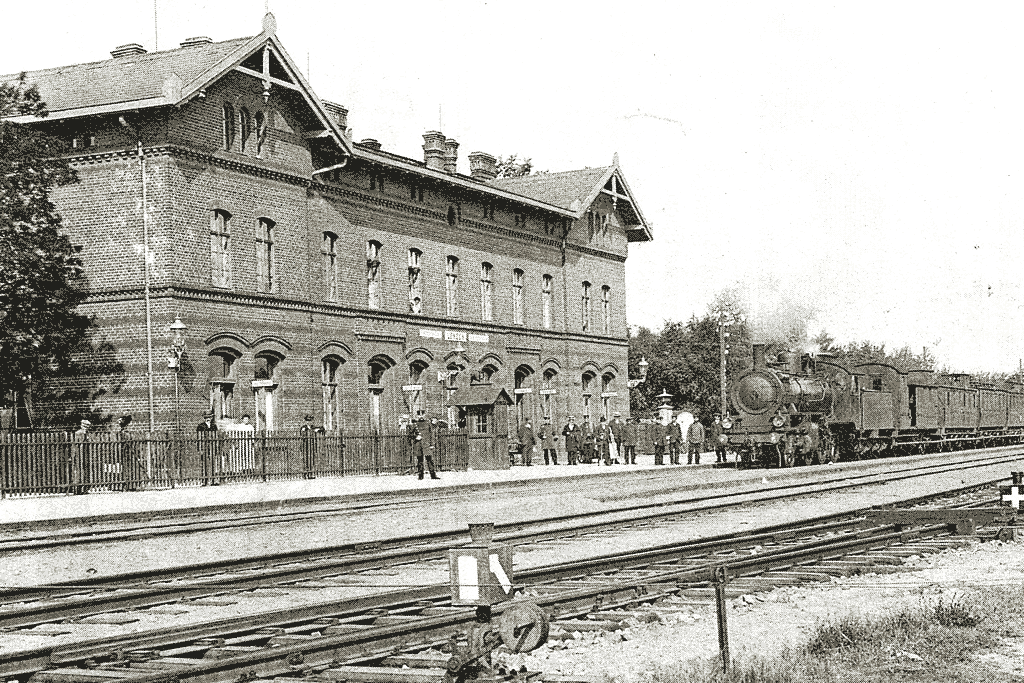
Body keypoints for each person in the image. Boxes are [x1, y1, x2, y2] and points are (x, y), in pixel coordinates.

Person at [411, 413, 439, 479]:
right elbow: (410, 434)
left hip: (427, 444)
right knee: (420, 461)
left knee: (430, 460)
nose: (421, 416)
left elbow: (431, 434)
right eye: (419, 414)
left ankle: (433, 475)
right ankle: (420, 476)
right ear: (417, 416)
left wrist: (432, 444)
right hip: (418, 444)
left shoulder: (428, 423)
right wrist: (415, 436)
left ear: (425, 415)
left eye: (422, 414)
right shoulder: (415, 424)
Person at [116, 413, 139, 491]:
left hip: (128, 453)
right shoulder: (122, 432)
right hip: (124, 453)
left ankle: (130, 485)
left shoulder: (125, 433)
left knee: (128, 469)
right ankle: (127, 485)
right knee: (124, 469)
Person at [196, 409, 220, 485]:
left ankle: (213, 480)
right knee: (204, 464)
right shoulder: (201, 426)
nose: (208, 418)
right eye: (206, 417)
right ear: (204, 418)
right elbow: (199, 438)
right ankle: (204, 481)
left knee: (213, 464)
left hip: (212, 447)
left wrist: (216, 448)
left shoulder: (214, 426)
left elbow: (216, 437)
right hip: (204, 447)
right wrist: (200, 449)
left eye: (209, 417)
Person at [299, 414, 323, 479]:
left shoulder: (313, 427)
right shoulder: (304, 428)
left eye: (310, 421)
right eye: (308, 421)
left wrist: (317, 429)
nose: (309, 422)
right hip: (305, 447)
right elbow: (302, 433)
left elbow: (322, 429)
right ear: (305, 421)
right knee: (306, 460)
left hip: (312, 447)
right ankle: (306, 474)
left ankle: (311, 473)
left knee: (312, 460)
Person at [70, 419, 91, 494]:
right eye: (85, 426)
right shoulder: (78, 433)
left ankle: (85, 488)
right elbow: (77, 444)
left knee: (85, 471)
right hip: (78, 454)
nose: (86, 428)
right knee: (79, 471)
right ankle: (77, 489)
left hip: (85, 455)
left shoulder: (87, 433)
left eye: (87, 426)